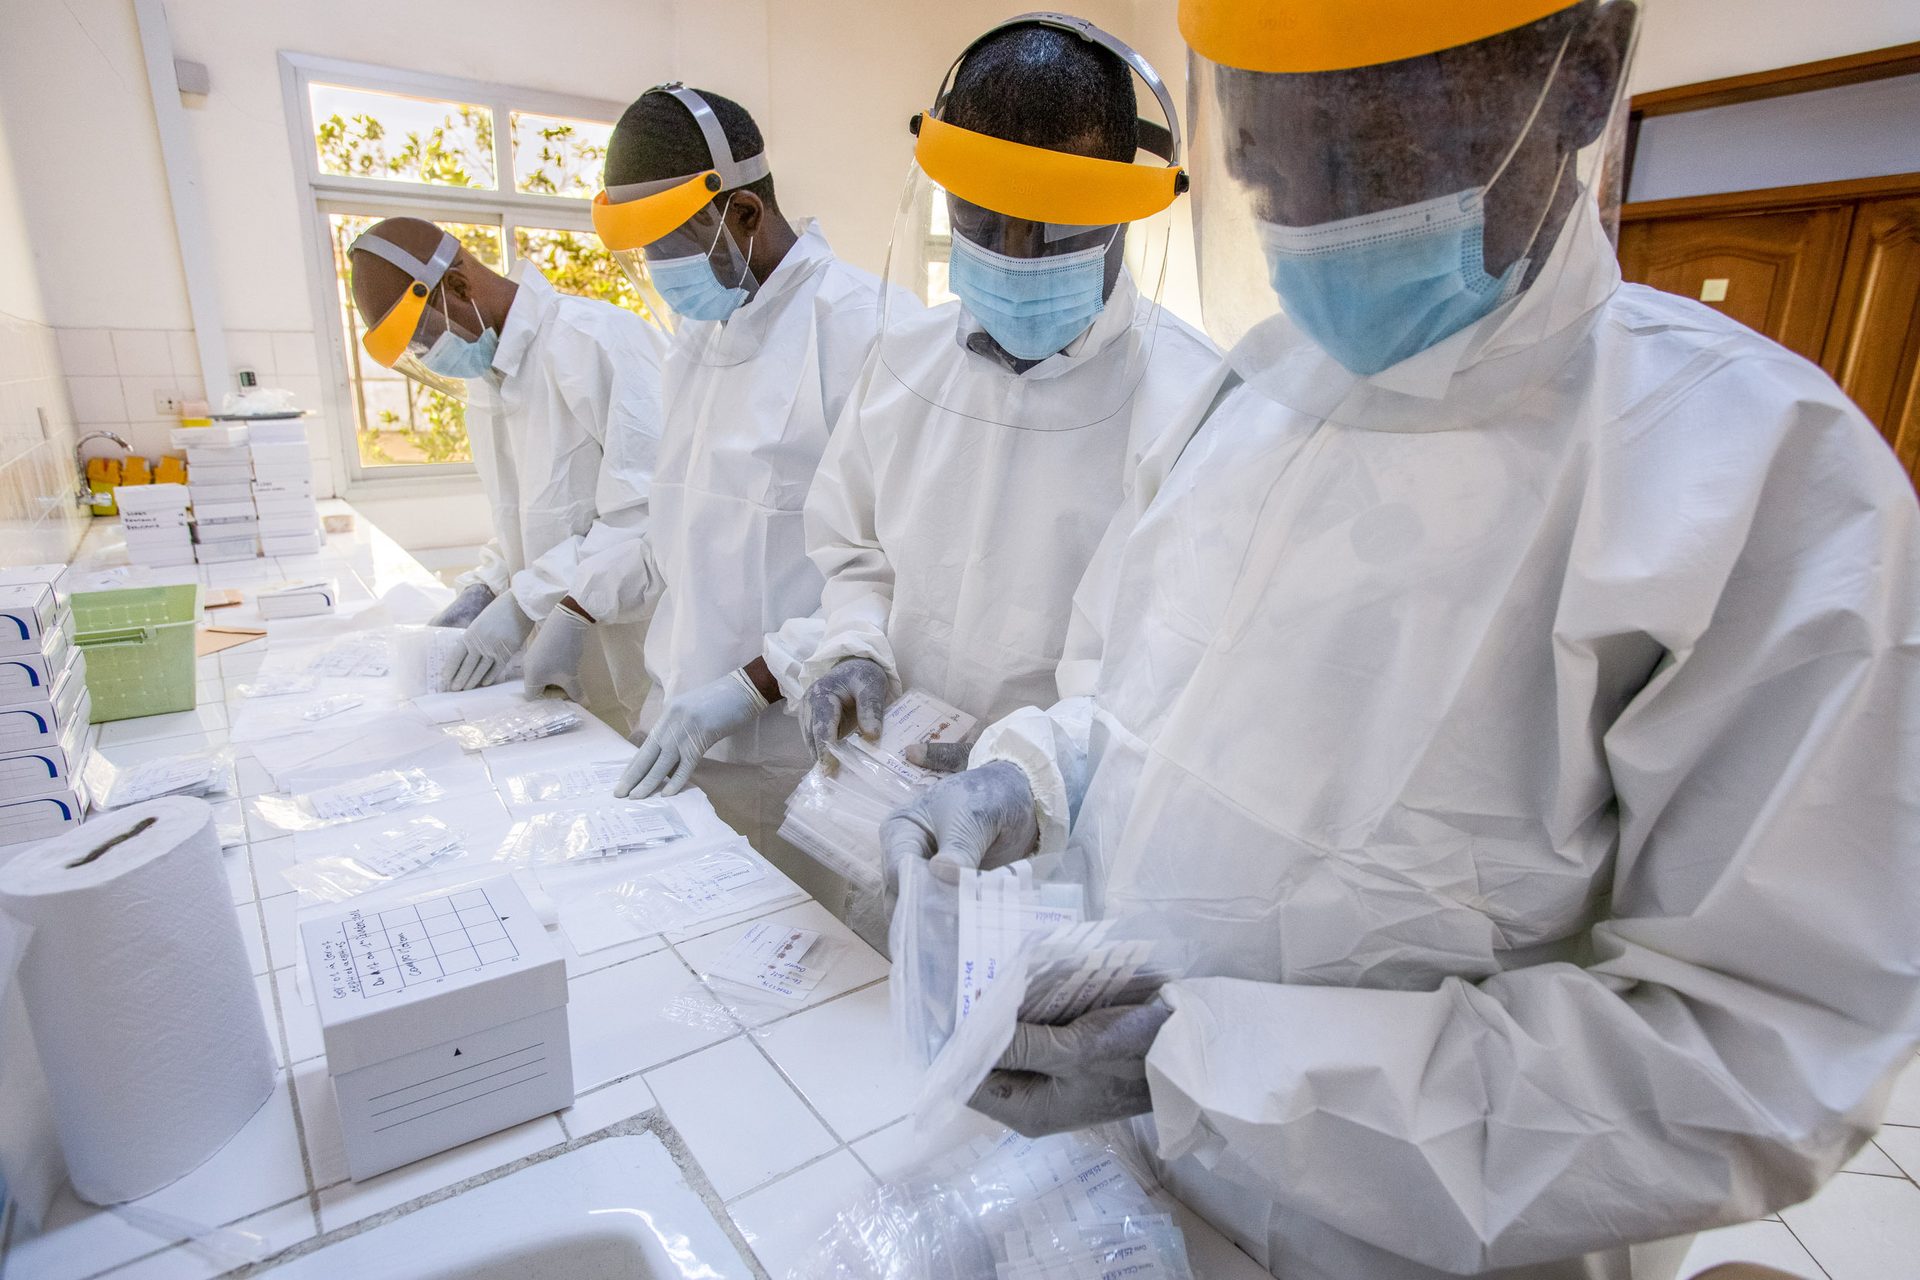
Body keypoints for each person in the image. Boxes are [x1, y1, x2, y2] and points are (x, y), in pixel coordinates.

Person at [886, 2, 1920, 1278]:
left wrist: (1207, 1064)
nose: (1313, 228)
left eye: (1366, 168)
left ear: (1582, 82)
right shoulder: (1247, 398)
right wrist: (1031, 771)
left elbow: (1747, 1058)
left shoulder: (1760, 481)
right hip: (1133, 1192)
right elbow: (1133, 704)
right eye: (1273, 174)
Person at [755, 15, 1220, 929]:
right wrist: (853, 644)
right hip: (874, 820)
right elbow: (856, 553)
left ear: (1125, 207)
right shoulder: (905, 363)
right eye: (980, 218)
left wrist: (1029, 777)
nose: (1010, 251)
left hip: (1057, 871)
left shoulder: (1195, 405)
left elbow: (1165, 685)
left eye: (1049, 226)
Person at [595, 86, 889, 896]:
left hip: (795, 749)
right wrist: (567, 603)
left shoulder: (865, 328)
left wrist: (748, 685)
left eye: (667, 247)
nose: (658, 274)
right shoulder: (697, 342)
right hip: (685, 733)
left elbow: (890, 571)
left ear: (746, 214)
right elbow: (676, 532)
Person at [348, 219, 667, 728]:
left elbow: (650, 516)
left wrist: (525, 601)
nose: (430, 356)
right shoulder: (488, 380)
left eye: (425, 337)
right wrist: (490, 586)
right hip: (570, 657)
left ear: (456, 285)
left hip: (641, 646)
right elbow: (528, 519)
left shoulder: (595, 343)